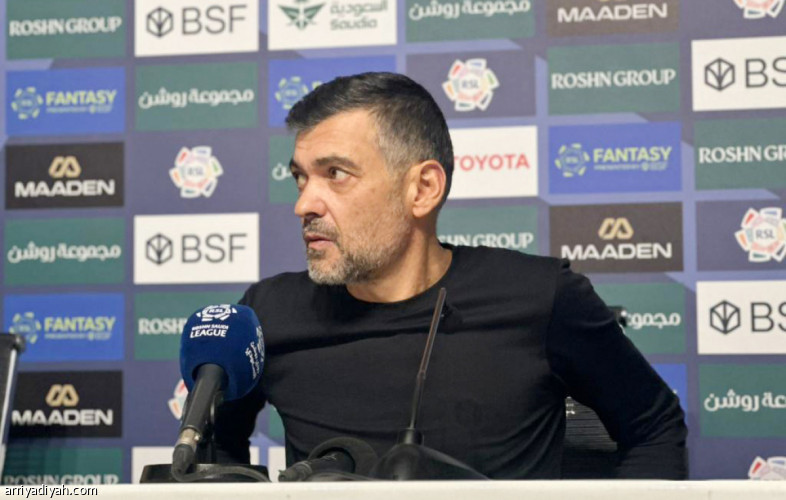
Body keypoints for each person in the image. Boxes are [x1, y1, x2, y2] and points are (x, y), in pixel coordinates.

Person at [213, 72, 688, 479]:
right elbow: (213, 455)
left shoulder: (541, 298)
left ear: (423, 189)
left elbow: (654, 427)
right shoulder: (267, 313)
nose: (304, 204)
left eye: (335, 174)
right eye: (300, 177)